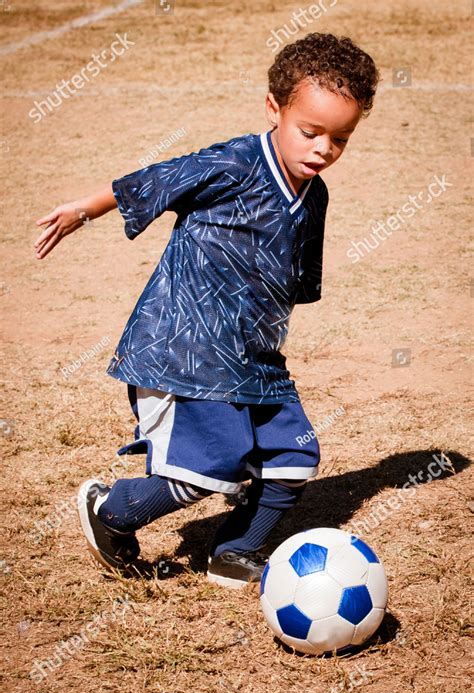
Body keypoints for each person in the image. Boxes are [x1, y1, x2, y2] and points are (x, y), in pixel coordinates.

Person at [33, 33, 379, 588]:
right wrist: (84, 208)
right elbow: (154, 181)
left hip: (255, 358)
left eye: (340, 139)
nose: (322, 149)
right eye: (310, 132)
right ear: (275, 108)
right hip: (183, 347)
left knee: (294, 458)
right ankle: (111, 510)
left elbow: (294, 281)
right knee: (208, 467)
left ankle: (234, 550)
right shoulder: (235, 162)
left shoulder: (314, 196)